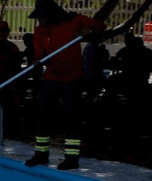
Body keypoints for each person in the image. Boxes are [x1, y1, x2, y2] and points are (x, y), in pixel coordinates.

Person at [22, 0, 105, 171]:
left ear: (52, 15)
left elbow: (100, 26)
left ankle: (71, 159)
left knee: (71, 119)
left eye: (42, 17)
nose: (40, 21)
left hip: (72, 79)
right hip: (51, 78)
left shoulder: (74, 21)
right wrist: (39, 60)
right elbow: (39, 52)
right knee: (42, 116)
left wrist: (88, 31)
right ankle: (41, 155)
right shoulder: (40, 30)